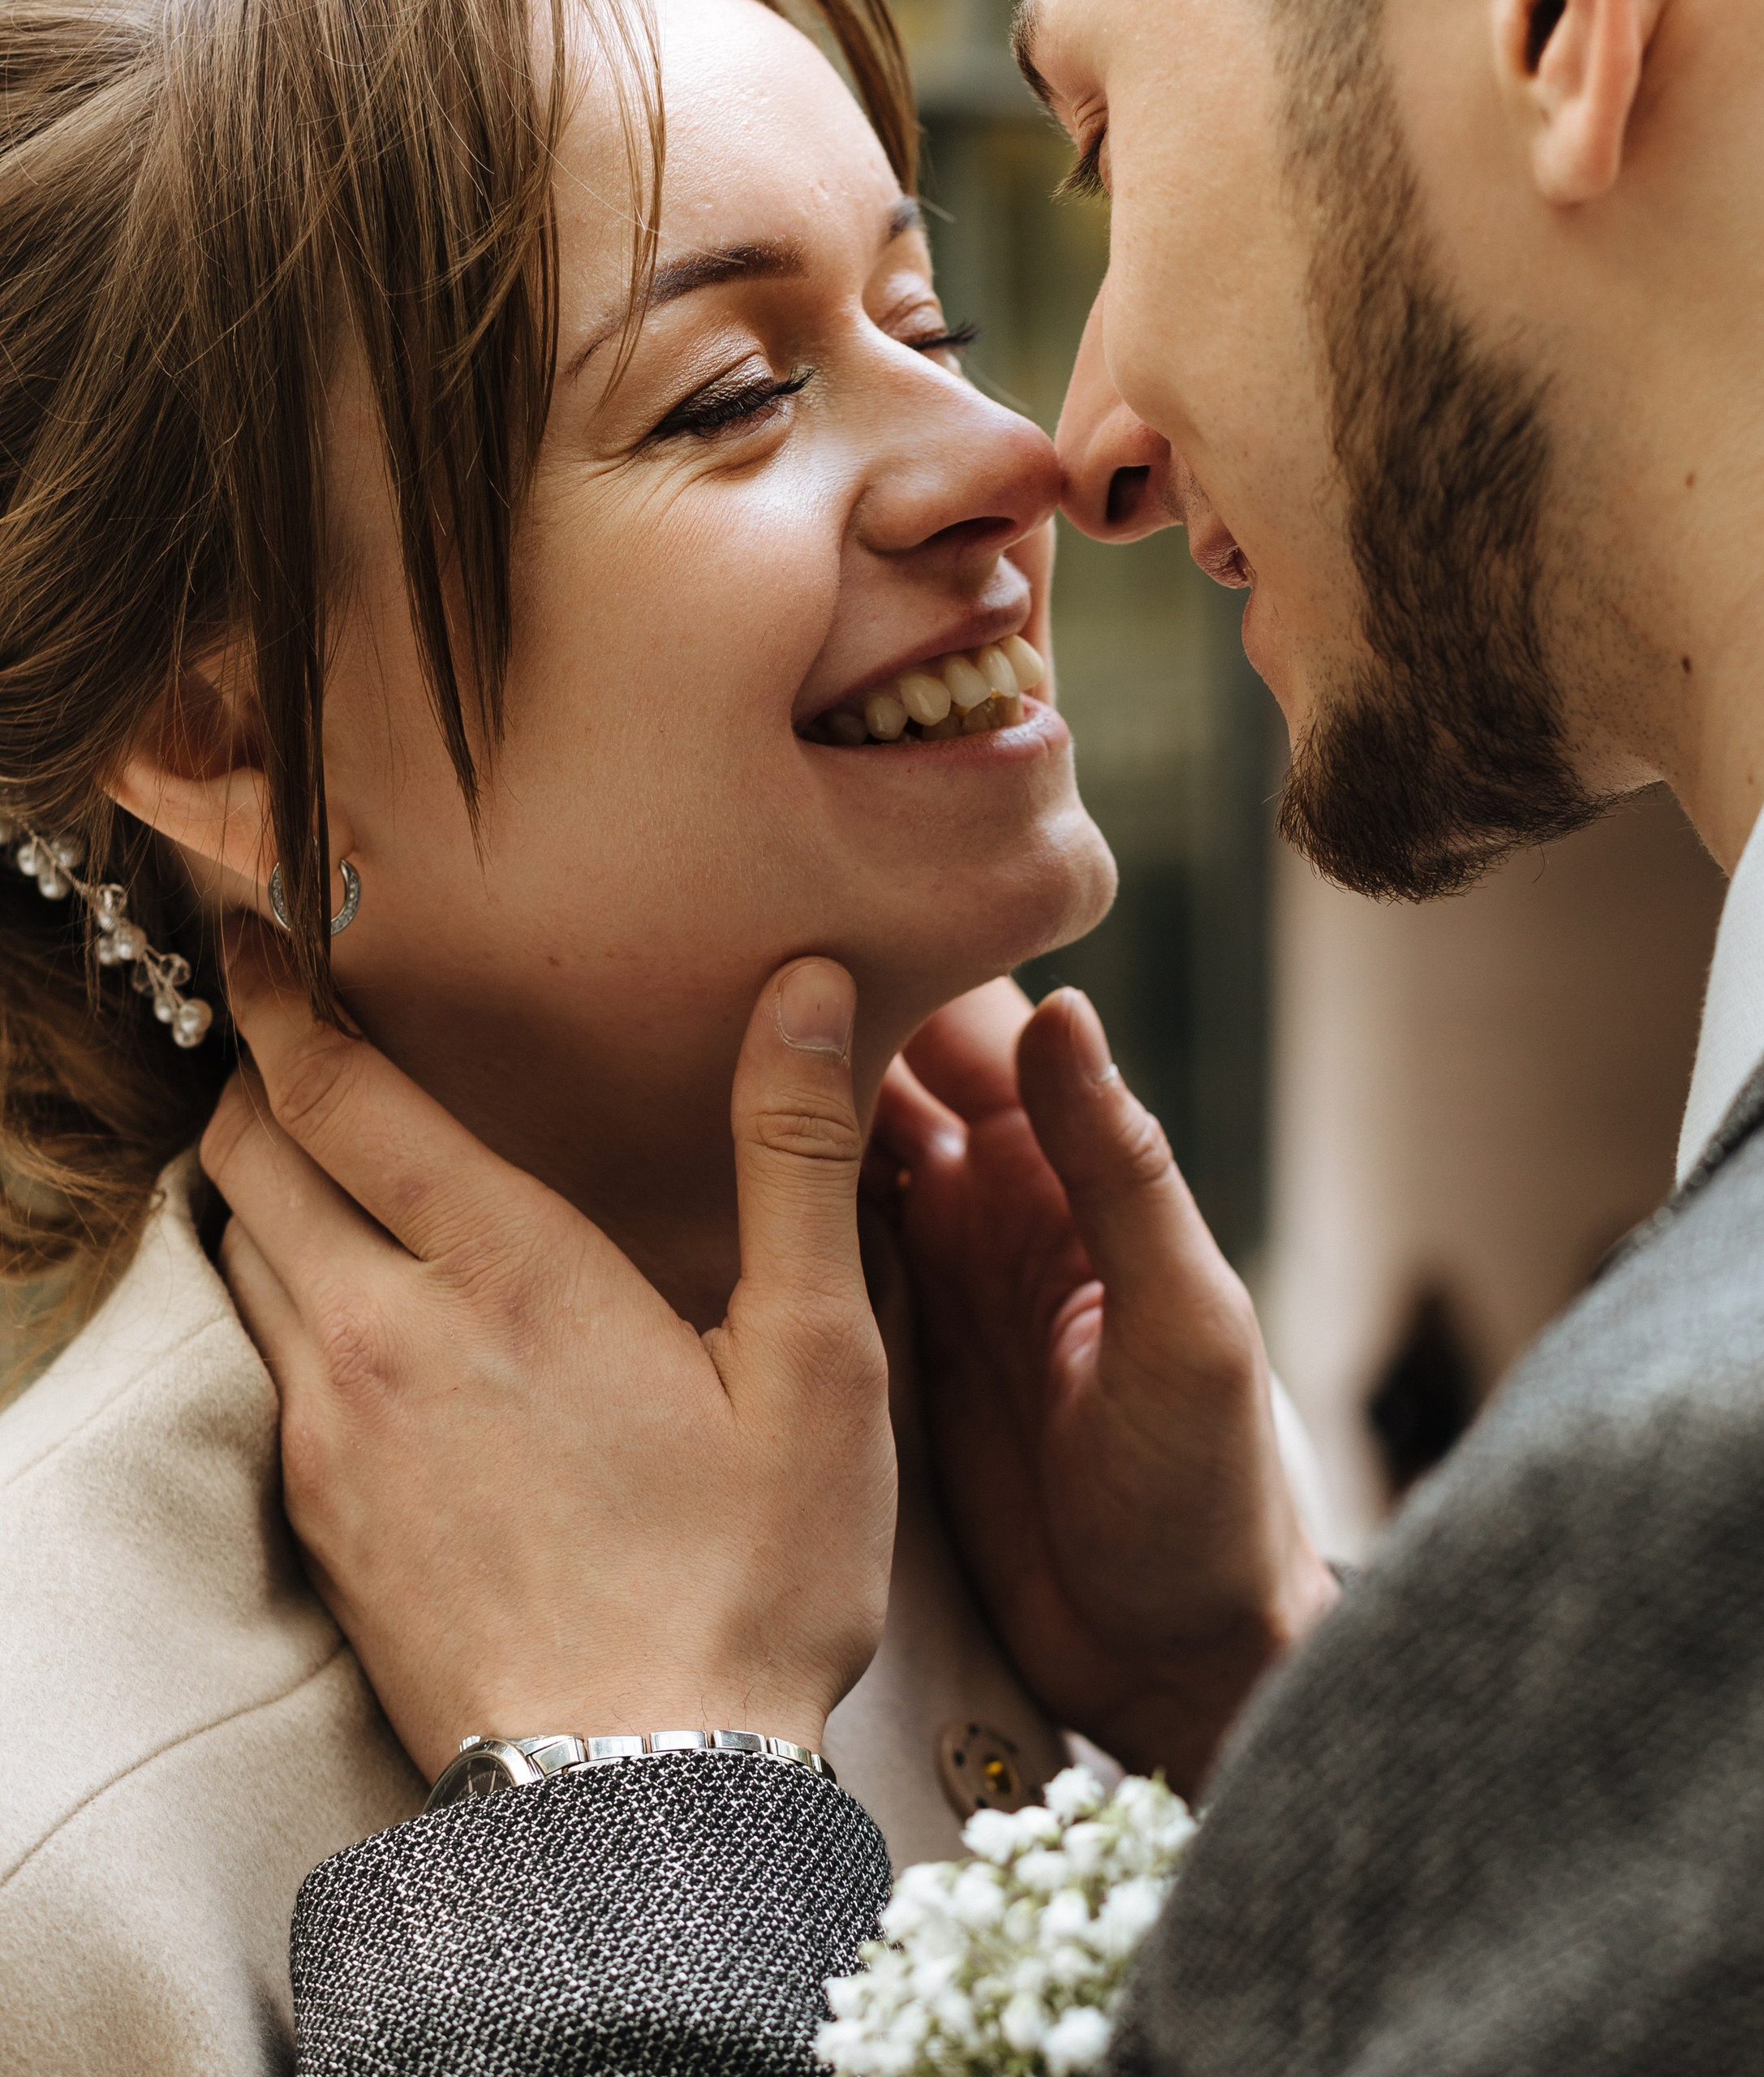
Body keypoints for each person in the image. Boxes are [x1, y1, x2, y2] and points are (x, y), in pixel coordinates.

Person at [152, 0, 1764, 2066]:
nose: (1059, 454)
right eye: (725, 392)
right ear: (225, 732)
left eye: (1099, 145)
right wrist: (1275, 1686)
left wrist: (617, 1822)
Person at [0, 0, 1334, 2066]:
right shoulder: (67, 1839)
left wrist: (1255, 1688)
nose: (1016, 462)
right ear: (226, 733)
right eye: (728, 396)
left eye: (935, 321)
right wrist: (617, 1809)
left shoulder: (1110, 1477)